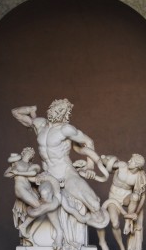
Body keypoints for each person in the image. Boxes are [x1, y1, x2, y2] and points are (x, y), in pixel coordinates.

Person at [12, 99, 109, 233]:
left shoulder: (66, 129)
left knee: (94, 205)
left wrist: (90, 166)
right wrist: (31, 109)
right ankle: (52, 231)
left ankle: (92, 230)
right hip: (49, 176)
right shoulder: (40, 124)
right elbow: (16, 113)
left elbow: (88, 142)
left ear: (66, 114)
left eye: (62, 110)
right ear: (50, 108)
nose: (57, 112)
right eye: (56, 108)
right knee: (44, 195)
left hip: (67, 173)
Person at [97, 154, 146, 250]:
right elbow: (108, 164)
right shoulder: (122, 165)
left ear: (137, 166)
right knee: (115, 224)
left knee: (135, 196)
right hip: (113, 199)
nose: (129, 161)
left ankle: (128, 221)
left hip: (126, 199)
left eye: (132, 161)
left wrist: (136, 213)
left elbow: (142, 196)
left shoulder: (139, 176)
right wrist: (104, 159)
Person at [4, 147, 42, 245]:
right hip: (20, 188)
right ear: (23, 153)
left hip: (29, 189)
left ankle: (27, 229)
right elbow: (6, 174)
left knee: (40, 208)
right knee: (38, 206)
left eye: (32, 154)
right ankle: (24, 226)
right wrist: (13, 171)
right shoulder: (16, 163)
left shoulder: (31, 165)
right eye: (28, 152)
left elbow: (34, 176)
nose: (30, 154)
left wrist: (19, 173)